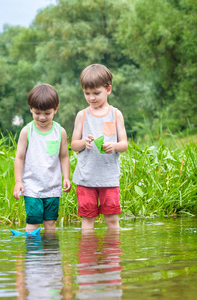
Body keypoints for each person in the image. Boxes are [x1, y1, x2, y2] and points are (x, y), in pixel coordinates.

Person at [71, 64, 128, 230]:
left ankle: (111, 255)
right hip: (86, 178)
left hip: (109, 178)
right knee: (87, 220)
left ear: (108, 89)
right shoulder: (82, 115)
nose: (91, 98)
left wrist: (115, 146)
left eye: (96, 93)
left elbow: (124, 144)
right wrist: (84, 142)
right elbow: (74, 145)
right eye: (87, 93)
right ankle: (89, 254)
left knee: (112, 220)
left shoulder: (115, 114)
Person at [13, 83, 71, 236]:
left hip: (52, 186)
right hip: (31, 186)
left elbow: (64, 156)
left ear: (55, 109)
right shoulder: (27, 131)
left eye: (47, 113)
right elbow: (19, 157)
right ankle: (33, 255)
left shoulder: (60, 132)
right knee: (33, 220)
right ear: (30, 109)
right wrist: (18, 182)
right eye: (37, 112)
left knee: (50, 221)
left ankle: (51, 255)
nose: (42, 117)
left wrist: (67, 177)